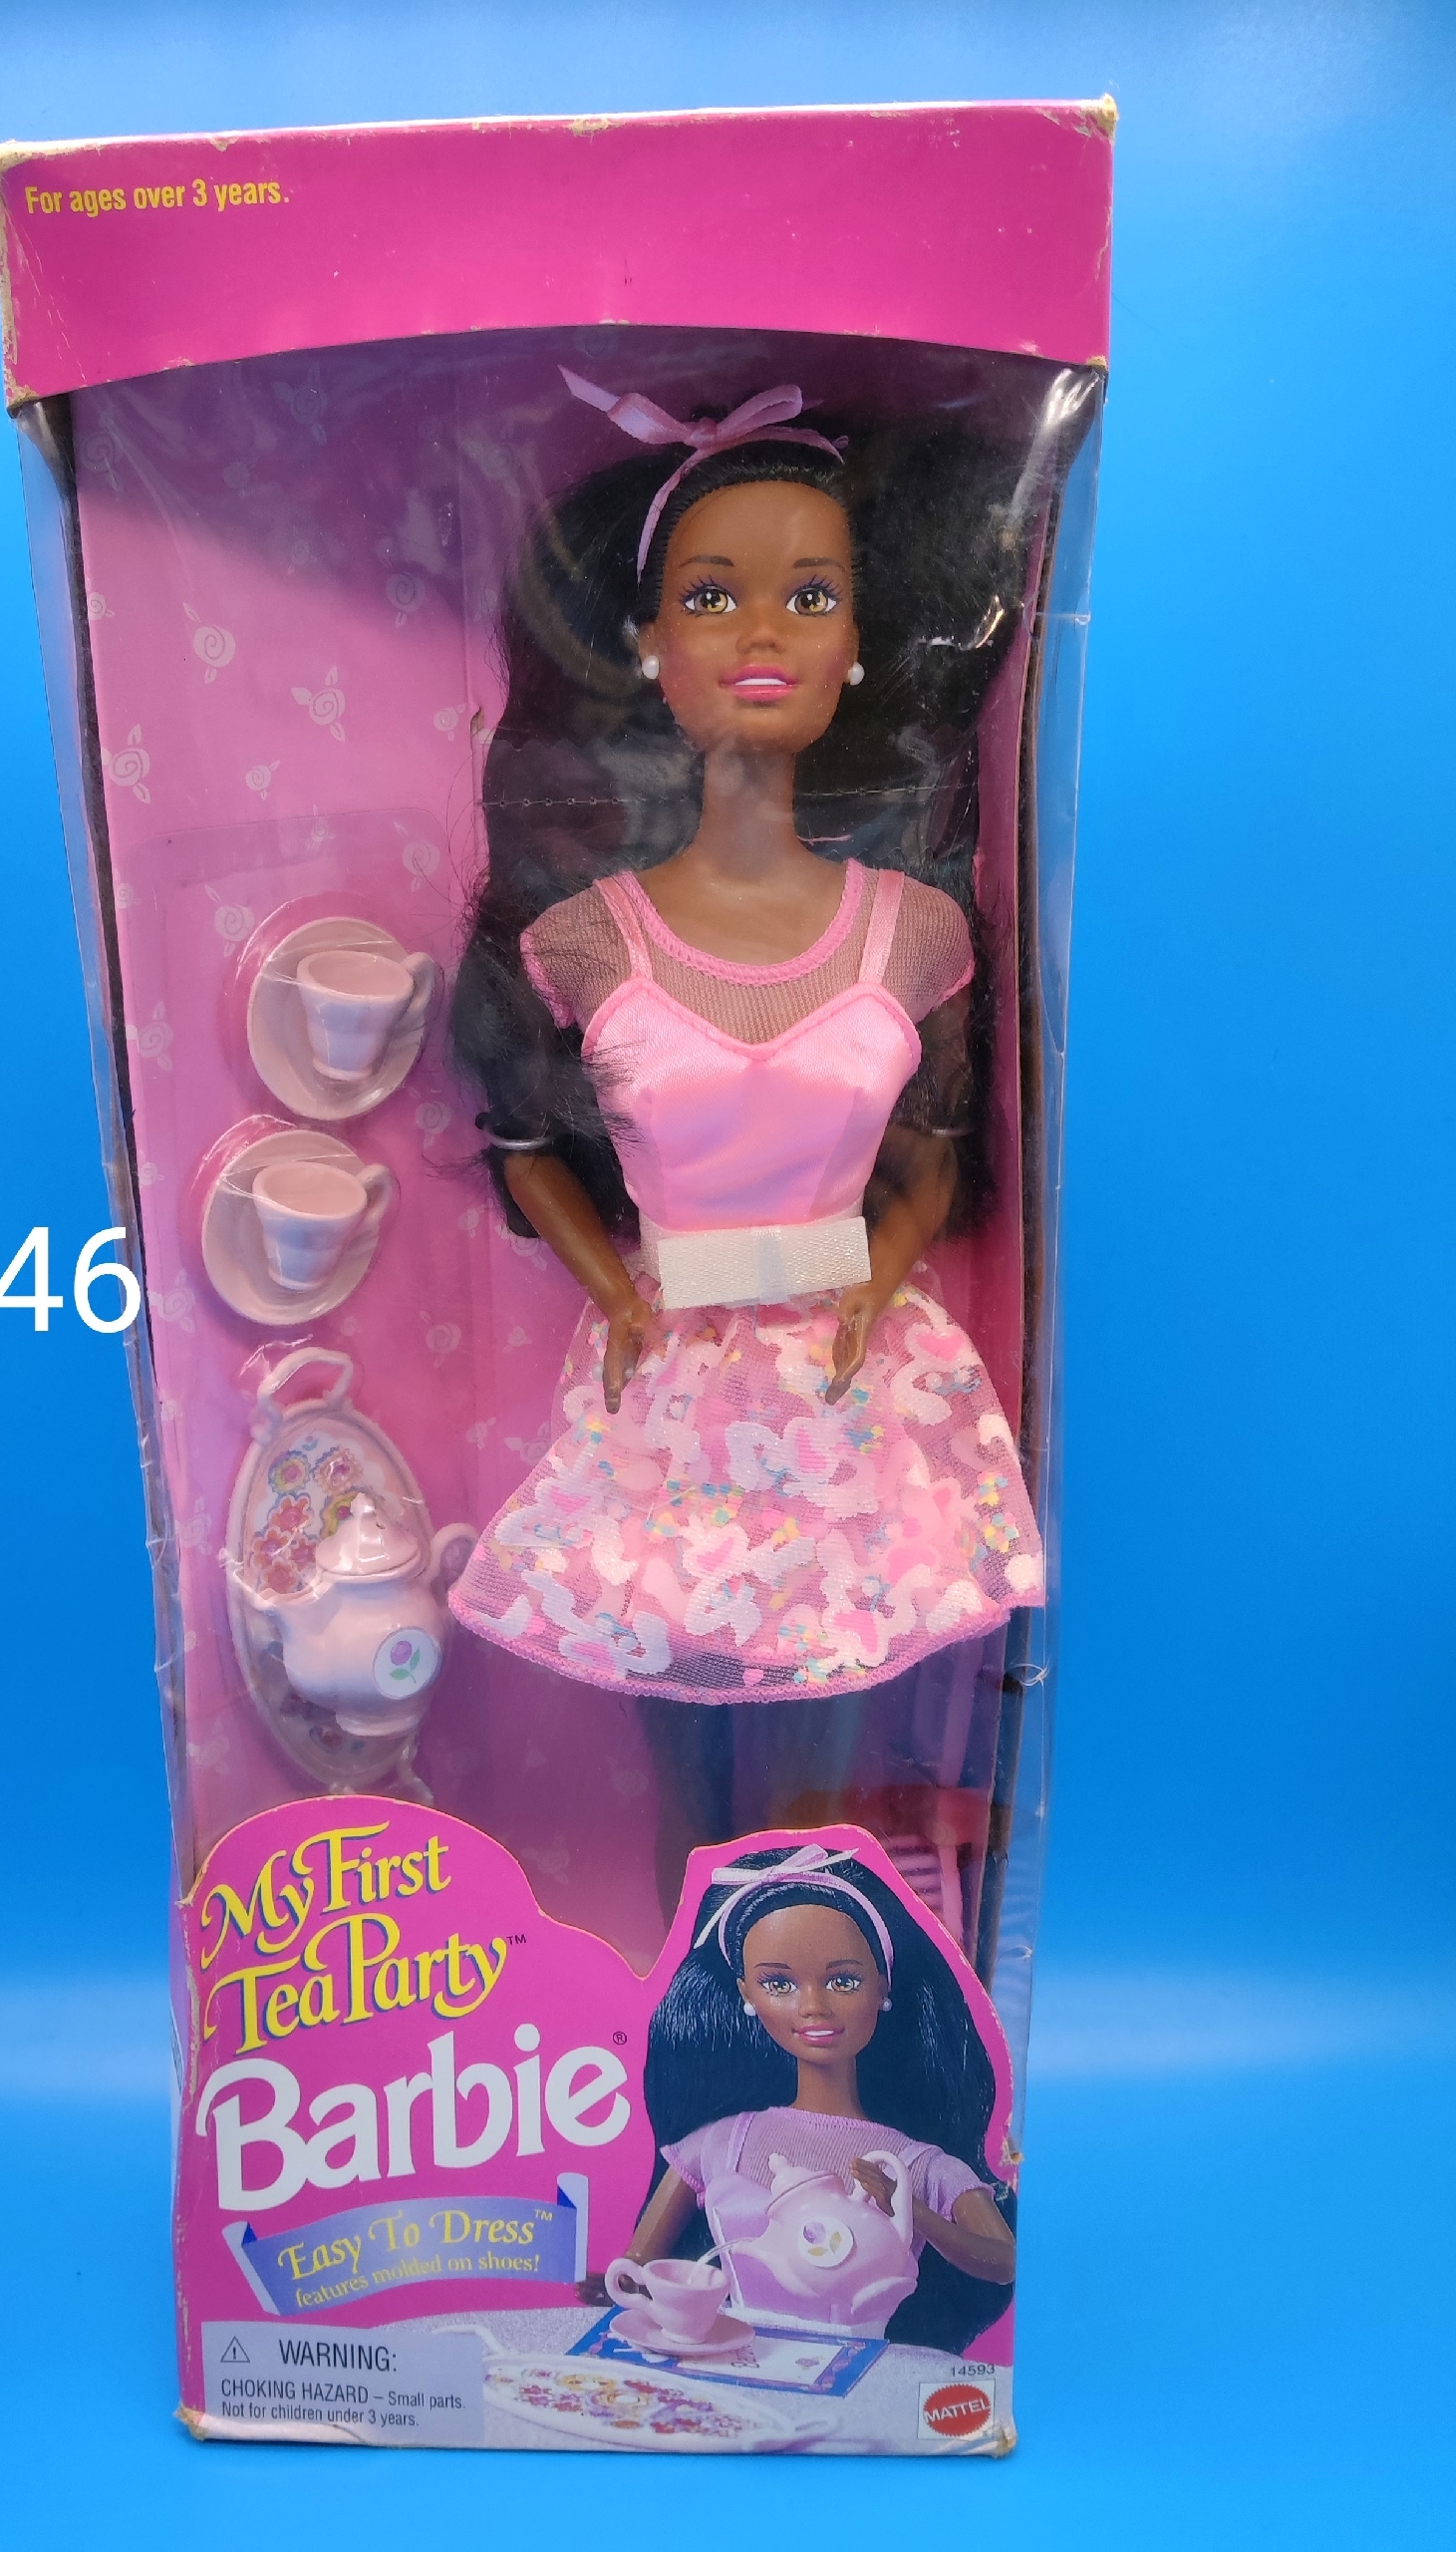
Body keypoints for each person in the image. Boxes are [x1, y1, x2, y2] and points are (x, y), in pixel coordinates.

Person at [447, 370, 1070, 1889]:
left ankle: (806, 1962)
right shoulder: (583, 940)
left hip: (852, 1379)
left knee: (813, 1758)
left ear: (857, 645)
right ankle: (698, 1986)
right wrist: (614, 1297)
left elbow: (934, 1152)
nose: (762, 635)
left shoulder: (914, 932)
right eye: (712, 597)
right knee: (684, 1745)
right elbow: (521, 1142)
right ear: (647, 647)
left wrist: (880, 1276)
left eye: (809, 596)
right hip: (674, 1373)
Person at [624, 1842, 1015, 2352]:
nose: (813, 2006)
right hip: (730, 2359)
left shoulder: (918, 2165)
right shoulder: (721, 2141)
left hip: (860, 2371)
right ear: (746, 1993)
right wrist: (623, 2286)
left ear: (883, 1985)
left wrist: (913, 2211)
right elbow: (640, 2264)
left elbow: (1005, 2262)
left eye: (843, 1980)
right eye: (778, 1983)